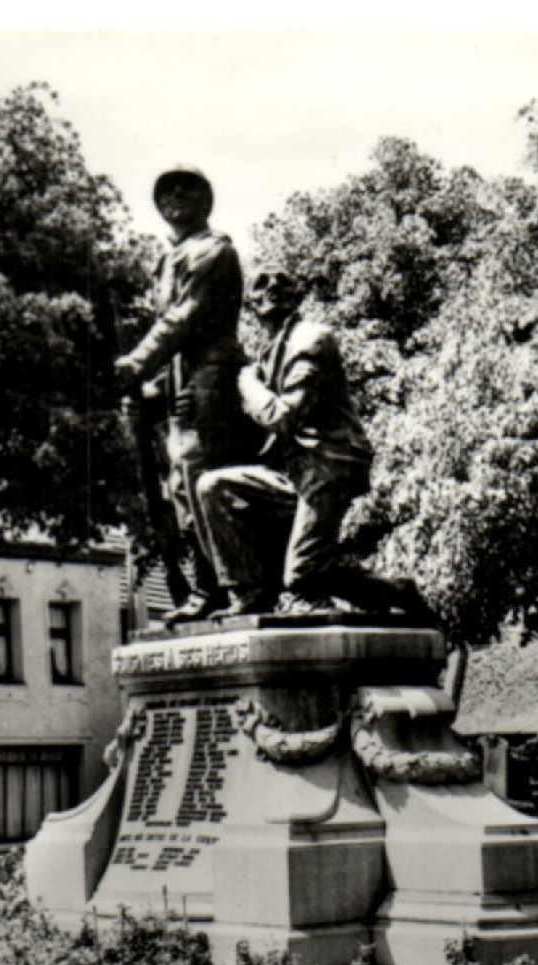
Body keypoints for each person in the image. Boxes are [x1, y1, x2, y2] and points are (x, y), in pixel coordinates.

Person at [116, 167, 259, 624]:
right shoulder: (168, 258)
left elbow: (184, 318)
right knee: (182, 490)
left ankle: (239, 585)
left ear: (206, 201)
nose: (175, 196)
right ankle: (206, 589)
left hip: (211, 379)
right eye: (166, 191)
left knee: (207, 481)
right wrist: (150, 390)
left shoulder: (214, 251)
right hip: (181, 378)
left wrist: (138, 363)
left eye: (187, 189)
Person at [196, 267, 375, 617]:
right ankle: (250, 593)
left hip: (328, 466)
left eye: (284, 280)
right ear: (251, 303)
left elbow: (281, 416)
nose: (274, 286)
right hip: (292, 472)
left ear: (298, 295)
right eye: (262, 283)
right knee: (212, 486)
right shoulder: (267, 355)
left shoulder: (312, 338)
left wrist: (246, 382)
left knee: (302, 582)